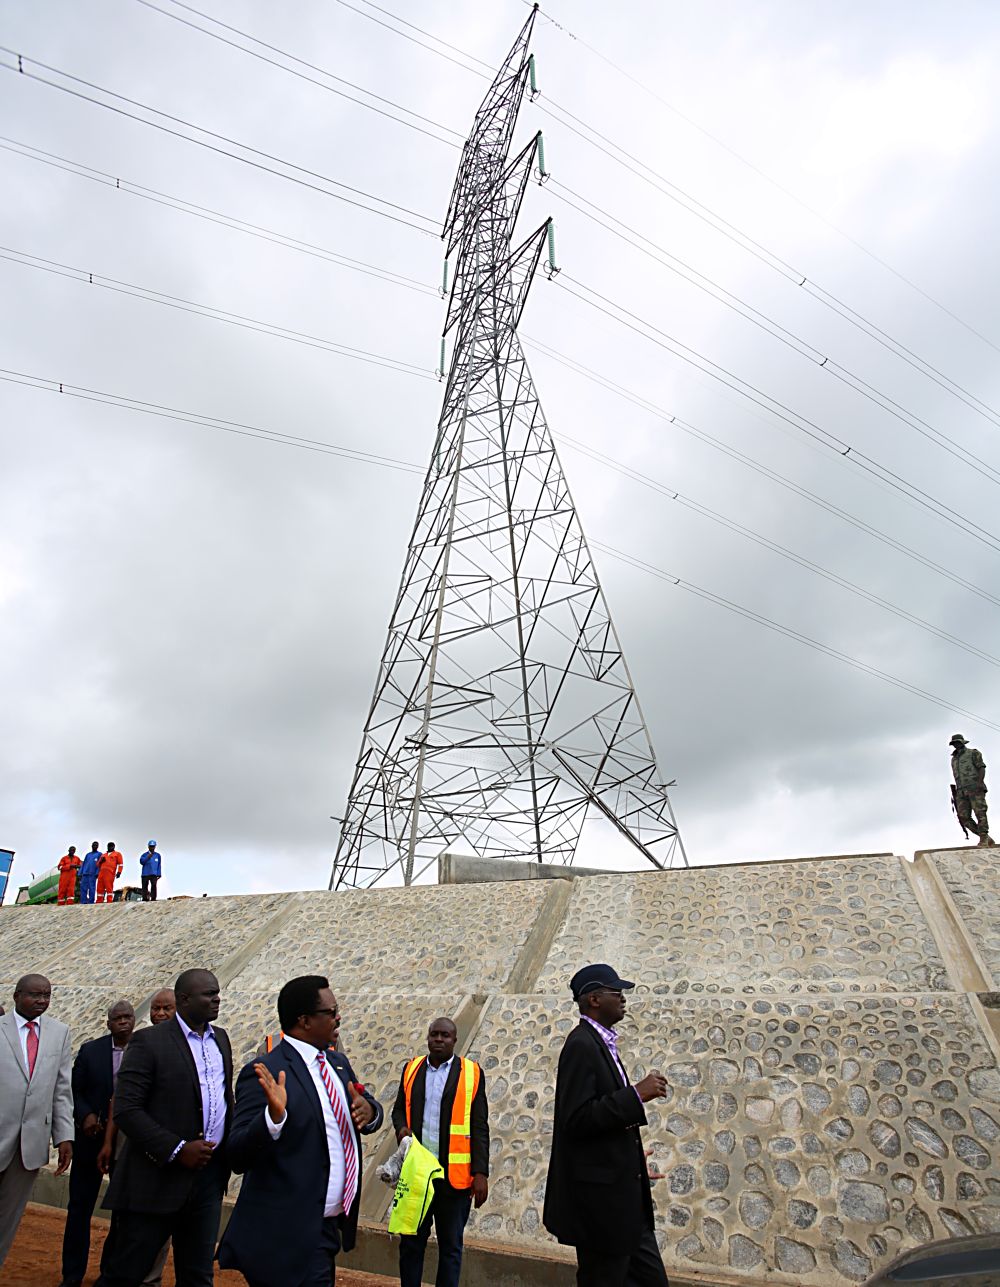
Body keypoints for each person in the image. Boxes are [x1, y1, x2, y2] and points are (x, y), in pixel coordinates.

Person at [217, 975, 383, 1287]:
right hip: (284, 1235)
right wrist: (272, 1118)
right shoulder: (266, 1072)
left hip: (325, 1228)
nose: (339, 1017)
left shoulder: (337, 1062)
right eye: (331, 1012)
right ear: (304, 1021)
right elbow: (237, 1153)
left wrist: (369, 1111)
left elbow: (368, 1105)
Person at [94, 969, 233, 1287]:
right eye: (208, 994)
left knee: (198, 1275)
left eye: (217, 992)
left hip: (208, 1180)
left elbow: (224, 1099)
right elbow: (128, 1109)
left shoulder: (220, 1039)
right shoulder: (148, 1042)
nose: (216, 998)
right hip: (156, 1178)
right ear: (184, 999)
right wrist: (177, 1148)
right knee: (126, 1272)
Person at [543, 963, 670, 1287]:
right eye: (617, 992)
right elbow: (576, 1120)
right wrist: (635, 1095)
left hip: (624, 1200)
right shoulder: (581, 1045)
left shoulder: (601, 1044)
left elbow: (601, 1124)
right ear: (594, 1000)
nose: (624, 998)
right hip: (602, 1208)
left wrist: (629, 1158)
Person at [391, 1016, 489, 1287]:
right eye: (434, 1034)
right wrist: (401, 1130)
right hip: (417, 1178)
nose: (438, 1040)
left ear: (454, 1040)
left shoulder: (472, 1073)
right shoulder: (411, 1070)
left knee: (451, 1248)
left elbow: (480, 1126)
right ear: (427, 1037)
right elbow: (399, 1110)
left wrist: (480, 1173)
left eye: (445, 1036)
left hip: (454, 1180)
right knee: (411, 1245)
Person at [98, 989, 177, 1287]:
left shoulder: (193, 1046)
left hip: (170, 1152)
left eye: (165, 1009)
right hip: (132, 1149)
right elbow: (119, 1099)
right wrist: (109, 1143)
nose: (158, 1014)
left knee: (159, 1225)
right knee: (125, 1221)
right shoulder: (141, 1043)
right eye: (155, 1009)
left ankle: (149, 1280)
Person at [59, 1000, 136, 1287]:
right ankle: (72, 1274)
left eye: (128, 1017)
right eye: (117, 1018)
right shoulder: (91, 1051)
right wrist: (86, 1115)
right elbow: (73, 1090)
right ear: (108, 1023)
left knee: (121, 1213)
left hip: (127, 1144)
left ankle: (108, 1272)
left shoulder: (143, 1050)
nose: (123, 1022)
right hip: (90, 1140)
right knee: (79, 1209)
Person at [0, 974, 73, 1269]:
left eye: (46, 995)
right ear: (17, 996)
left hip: (29, 1146)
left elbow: (61, 1089)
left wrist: (64, 1135)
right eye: (34, 995)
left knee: (8, 1219)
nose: (41, 1001)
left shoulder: (60, 1032)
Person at [951, 733, 996, 846]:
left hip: (975, 787)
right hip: (961, 791)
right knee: (963, 817)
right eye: (954, 743)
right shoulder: (954, 759)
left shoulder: (973, 753)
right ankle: (984, 836)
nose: (956, 745)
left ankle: (984, 838)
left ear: (962, 742)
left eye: (958, 742)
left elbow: (981, 767)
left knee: (980, 813)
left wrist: (980, 783)